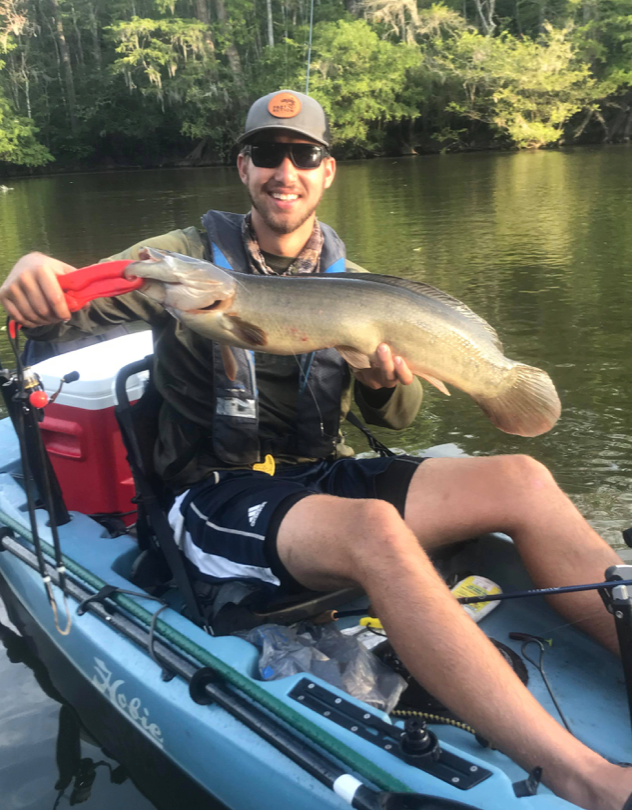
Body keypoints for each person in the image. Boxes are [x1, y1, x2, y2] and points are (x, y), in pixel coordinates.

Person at [1, 89, 631, 810]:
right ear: (243, 168)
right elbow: (73, 299)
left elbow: (396, 416)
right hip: (214, 496)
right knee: (375, 531)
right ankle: (585, 778)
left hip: (317, 477)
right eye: (268, 154)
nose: (285, 171)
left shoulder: (353, 280)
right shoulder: (180, 262)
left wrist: (380, 377)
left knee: (522, 476)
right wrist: (38, 272)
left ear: (326, 172)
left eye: (304, 155)